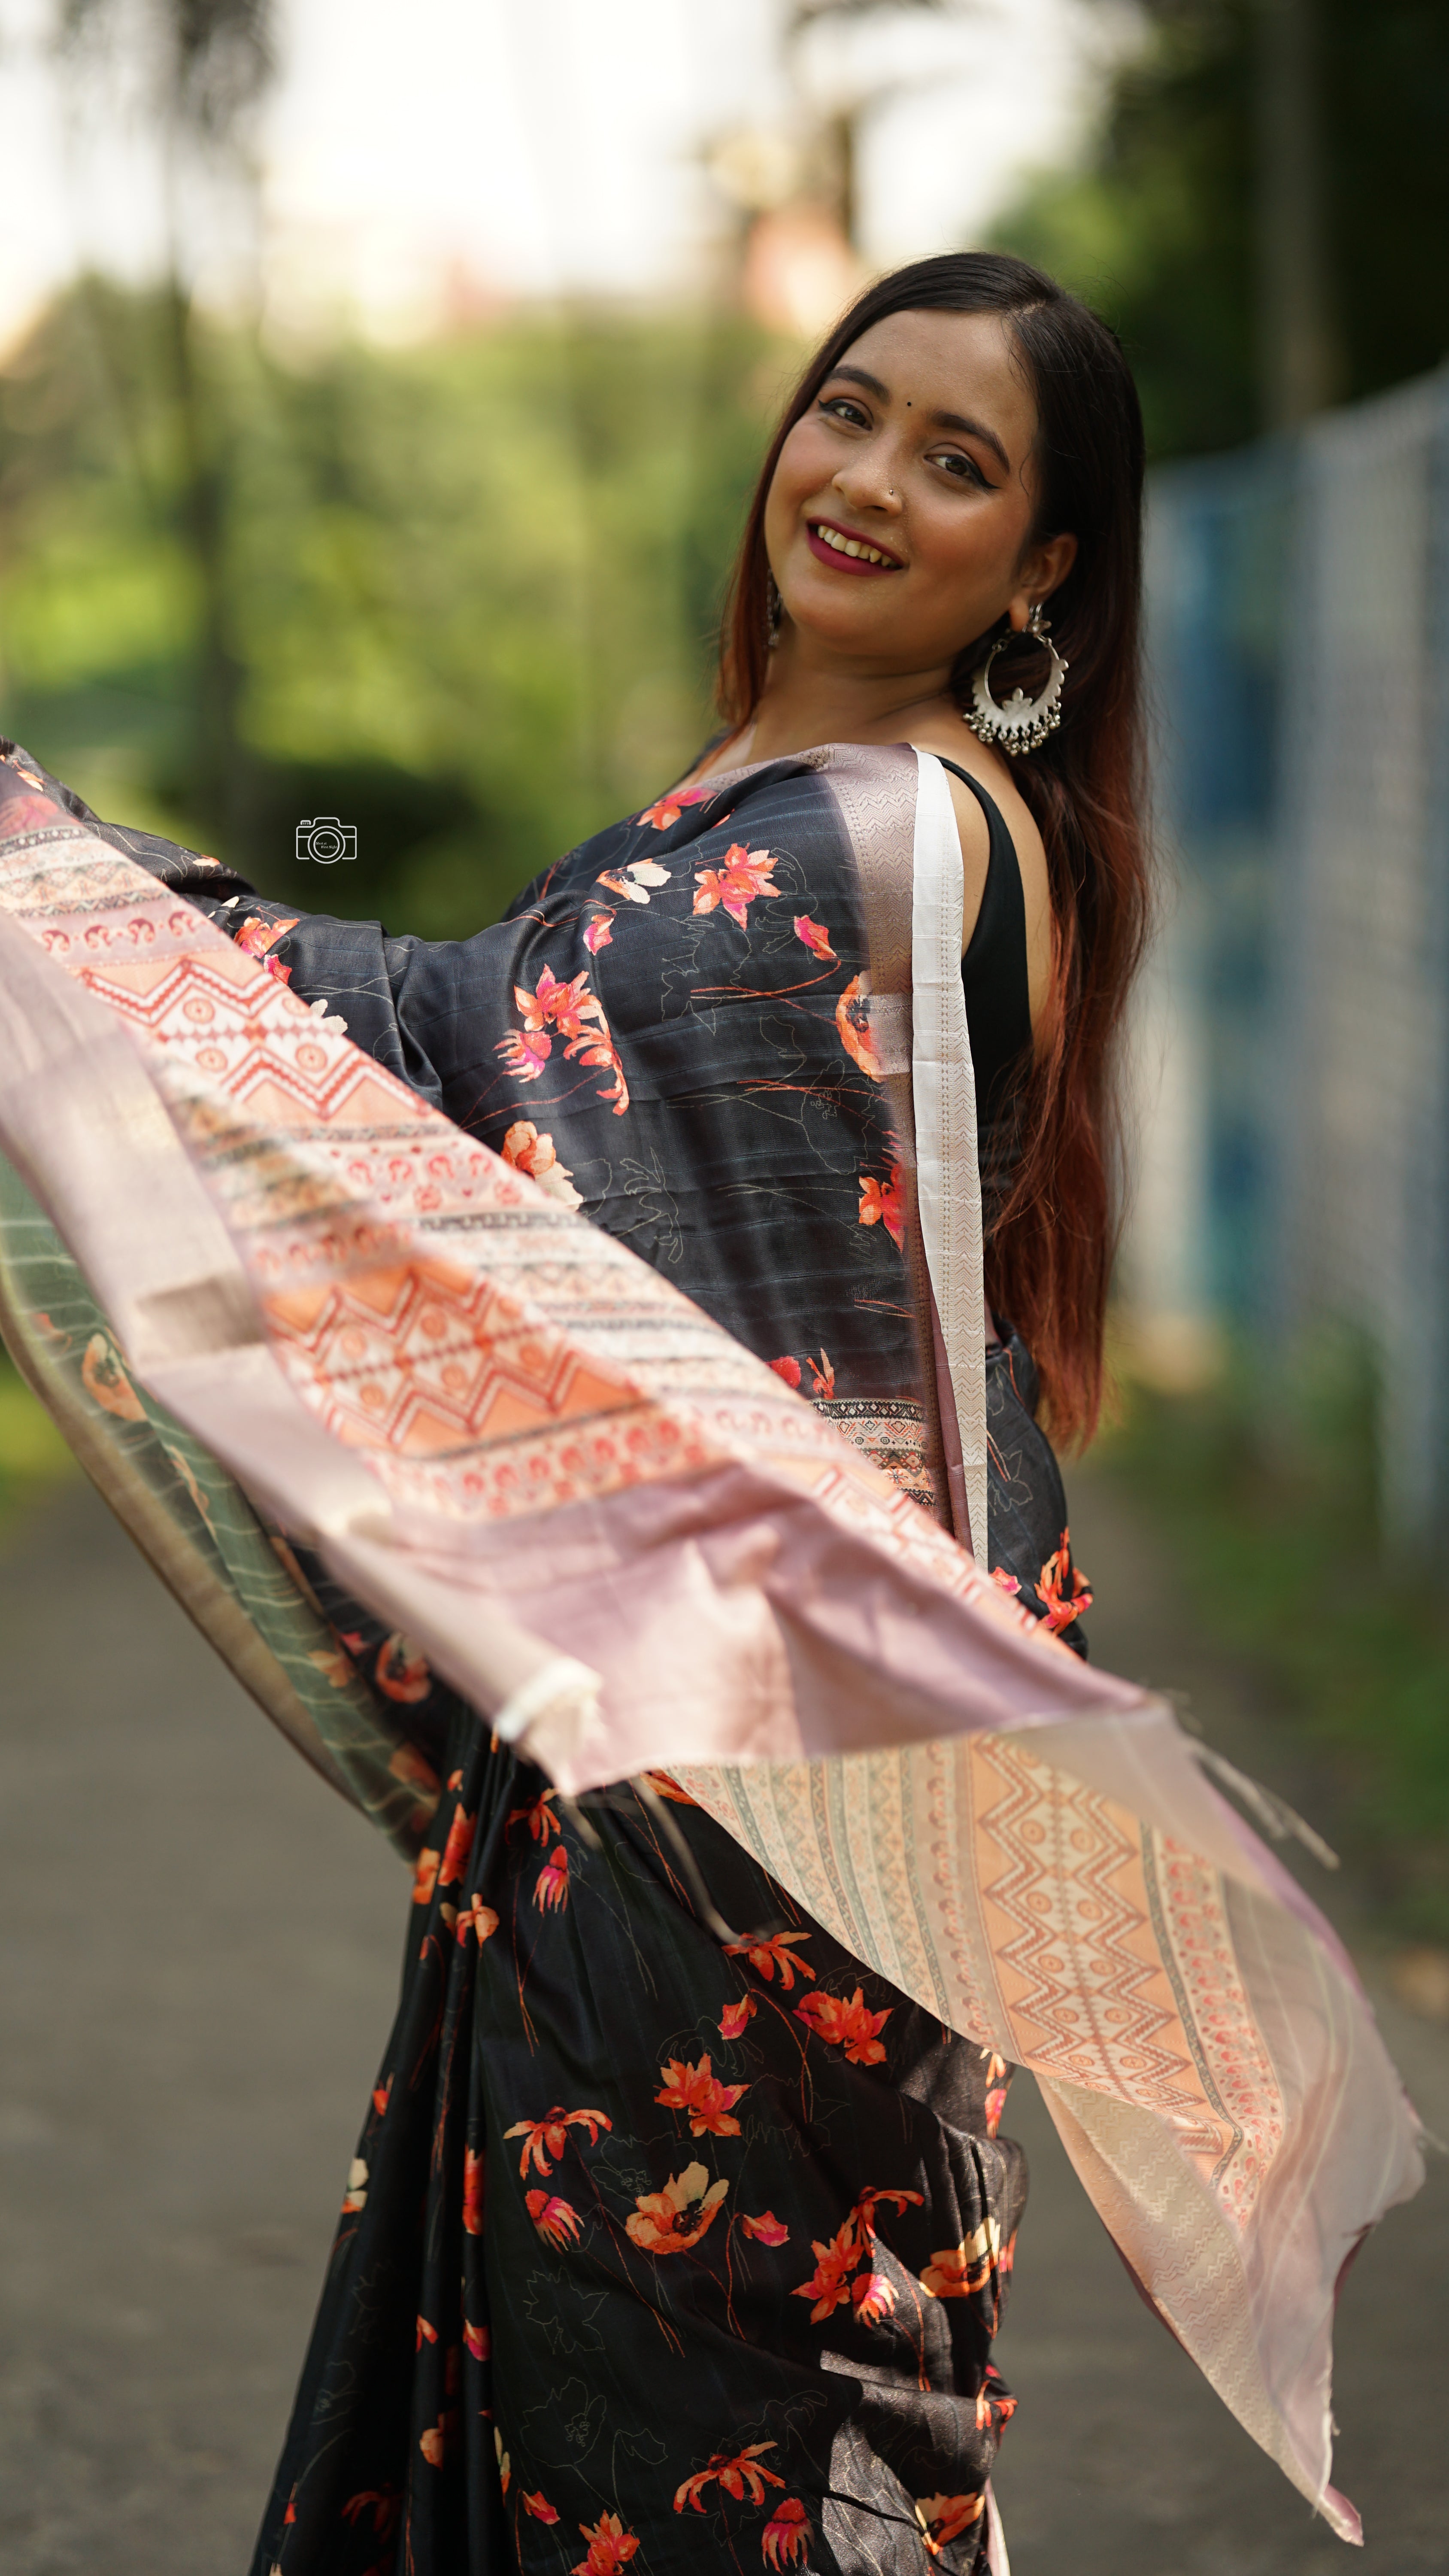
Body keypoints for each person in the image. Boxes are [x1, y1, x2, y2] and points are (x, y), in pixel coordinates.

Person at [0, 252, 1382, 2572]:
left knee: (721, 2447)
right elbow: (469, 1055)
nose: (864, 482)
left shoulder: (903, 830)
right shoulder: (763, 788)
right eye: (851, 413)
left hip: (778, 1816)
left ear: (1042, 572)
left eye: (959, 463)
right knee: (617, 2432)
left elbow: (459, 1078)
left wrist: (55, 899)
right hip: (680, 1764)